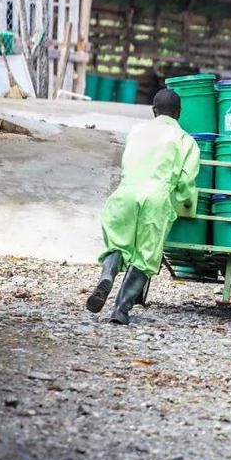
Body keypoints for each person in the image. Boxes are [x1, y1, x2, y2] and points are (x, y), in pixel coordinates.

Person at [86, 88, 200, 325]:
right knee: (145, 257)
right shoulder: (186, 141)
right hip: (156, 198)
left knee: (118, 244)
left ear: (153, 111)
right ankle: (120, 309)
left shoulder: (136, 132)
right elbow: (186, 182)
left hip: (125, 194)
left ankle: (107, 275)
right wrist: (186, 202)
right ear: (179, 113)